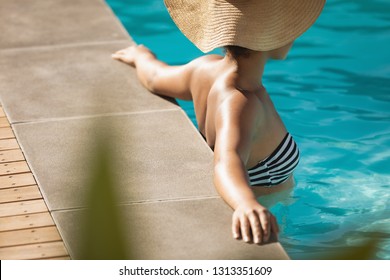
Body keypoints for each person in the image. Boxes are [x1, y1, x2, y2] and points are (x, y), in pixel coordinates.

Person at [112, 0, 325, 245]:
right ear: (270, 37)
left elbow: (155, 77)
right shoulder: (242, 101)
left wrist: (142, 57)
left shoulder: (205, 68)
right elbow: (227, 161)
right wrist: (246, 205)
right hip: (272, 216)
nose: (295, 33)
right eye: (288, 26)